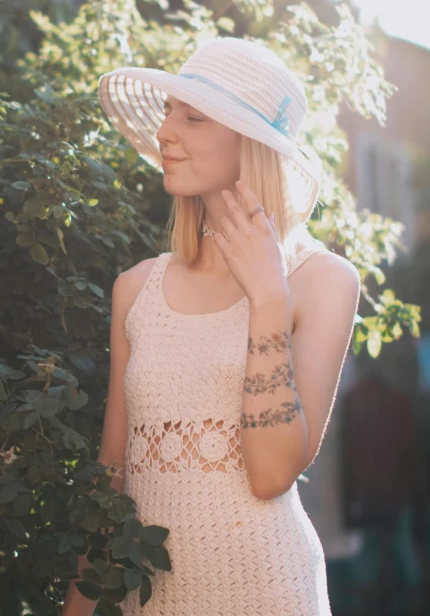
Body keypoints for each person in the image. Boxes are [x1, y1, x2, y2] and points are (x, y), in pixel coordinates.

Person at [61, 37, 361, 615]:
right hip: (144, 599)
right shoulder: (136, 289)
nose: (166, 132)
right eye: (170, 112)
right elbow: (112, 479)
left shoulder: (323, 281)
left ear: (250, 145)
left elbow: (272, 473)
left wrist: (268, 295)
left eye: (193, 117)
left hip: (269, 593)